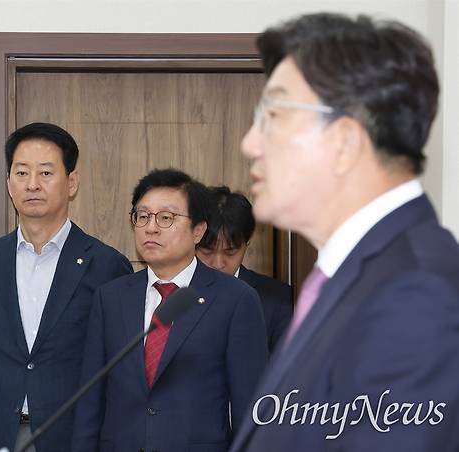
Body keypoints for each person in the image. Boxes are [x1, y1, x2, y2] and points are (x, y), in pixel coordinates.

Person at [229, 13, 459, 452]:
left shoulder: (415, 294)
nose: (250, 143)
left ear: (345, 141)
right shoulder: (353, 278)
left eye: (273, 115)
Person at [0, 122, 132, 452]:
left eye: (45, 173)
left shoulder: (107, 265)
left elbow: (116, 363)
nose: (32, 184)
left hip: (72, 436)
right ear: (8, 183)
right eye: (21, 173)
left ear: (72, 182)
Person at [72, 169, 268, 452]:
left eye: (166, 218)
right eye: (142, 216)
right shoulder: (110, 298)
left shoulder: (235, 299)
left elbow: (250, 409)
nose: (151, 228)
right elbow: (90, 404)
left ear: (198, 230)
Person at [197, 186, 292, 353]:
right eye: (207, 251)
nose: (218, 263)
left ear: (247, 243)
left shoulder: (279, 300)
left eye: (230, 252)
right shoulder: (171, 294)